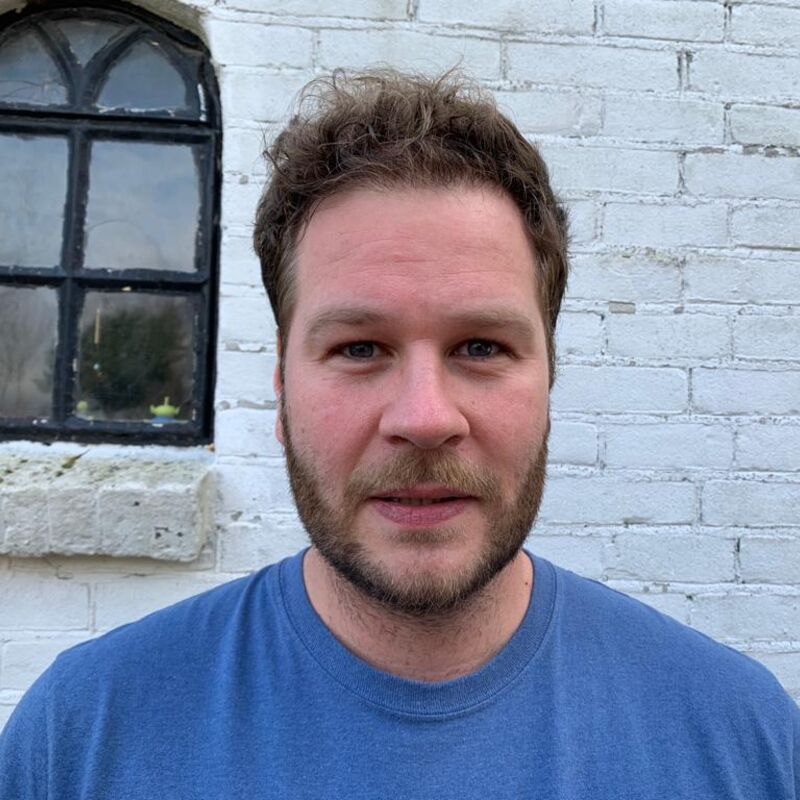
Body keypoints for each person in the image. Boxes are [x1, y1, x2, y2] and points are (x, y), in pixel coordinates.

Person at [1, 69, 798, 799]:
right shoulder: (81, 740)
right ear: (280, 387)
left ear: (549, 381)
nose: (423, 419)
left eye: (481, 347)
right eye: (359, 349)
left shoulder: (745, 745)